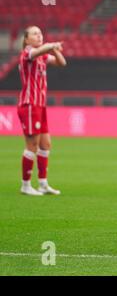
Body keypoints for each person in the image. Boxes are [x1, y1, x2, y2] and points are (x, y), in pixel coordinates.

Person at [18, 26, 67, 196]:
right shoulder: (27, 54)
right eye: (35, 34)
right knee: (31, 145)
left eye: (40, 33)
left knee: (45, 144)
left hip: (40, 105)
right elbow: (41, 50)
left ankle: (43, 184)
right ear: (26, 39)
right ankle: (25, 185)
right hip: (29, 105)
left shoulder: (42, 56)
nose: (39, 36)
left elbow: (62, 63)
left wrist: (55, 49)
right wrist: (52, 44)